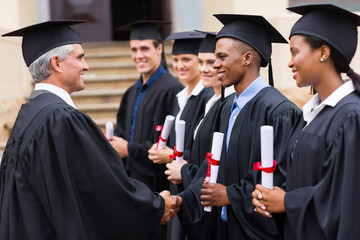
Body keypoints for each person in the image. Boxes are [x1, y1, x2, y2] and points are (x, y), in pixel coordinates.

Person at [0, 20, 175, 240]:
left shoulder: (29, 114)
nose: (86, 66)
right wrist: (157, 205)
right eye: (80, 57)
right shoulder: (60, 119)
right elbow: (101, 186)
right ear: (57, 63)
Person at [171, 14, 301, 240]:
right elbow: (210, 167)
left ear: (247, 58)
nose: (215, 65)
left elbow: (280, 175)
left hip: (257, 232)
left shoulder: (279, 111)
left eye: (221, 57)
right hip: (225, 228)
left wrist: (231, 195)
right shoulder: (226, 107)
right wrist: (184, 199)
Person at [252, 4, 360, 239]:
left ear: (323, 52)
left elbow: (347, 200)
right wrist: (274, 198)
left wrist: (287, 201)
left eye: (294, 52)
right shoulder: (312, 115)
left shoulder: (350, 115)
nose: (290, 62)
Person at [111, 20, 184, 193]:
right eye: (134, 50)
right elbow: (122, 133)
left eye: (144, 48)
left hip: (157, 186)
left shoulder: (172, 90)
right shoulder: (131, 93)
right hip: (130, 182)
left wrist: (129, 149)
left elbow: (170, 144)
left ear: (159, 49)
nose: (138, 55)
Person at [164, 31, 235, 188]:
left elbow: (219, 158)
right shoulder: (212, 101)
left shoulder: (229, 105)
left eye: (211, 62)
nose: (204, 69)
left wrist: (184, 171)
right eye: (201, 62)